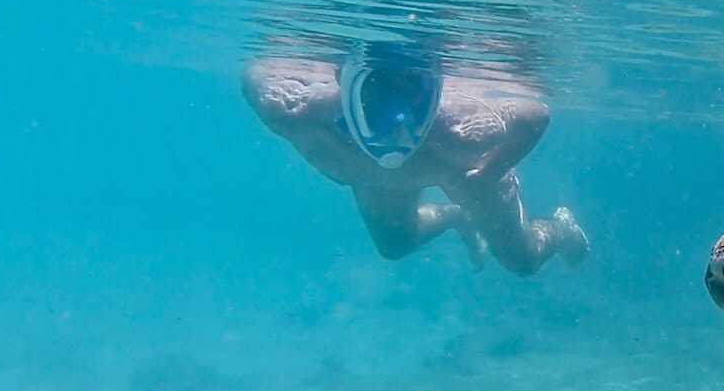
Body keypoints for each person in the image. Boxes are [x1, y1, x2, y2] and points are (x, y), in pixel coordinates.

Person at [242, 43, 589, 275]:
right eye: (376, 91)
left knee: (522, 260)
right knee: (395, 245)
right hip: (379, 176)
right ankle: (457, 217)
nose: (397, 127)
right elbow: (252, 79)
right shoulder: (293, 113)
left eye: (412, 92)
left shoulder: (460, 130)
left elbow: (536, 117)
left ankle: (561, 228)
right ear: (342, 80)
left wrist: (490, 172)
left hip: (466, 172)